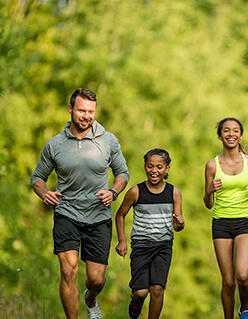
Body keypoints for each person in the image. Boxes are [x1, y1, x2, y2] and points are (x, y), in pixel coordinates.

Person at [31, 88, 129, 319]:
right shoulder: (54, 145)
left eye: (91, 111)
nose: (86, 116)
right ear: (70, 109)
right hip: (67, 213)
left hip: (99, 216)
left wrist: (113, 192)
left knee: (96, 279)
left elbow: (122, 173)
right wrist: (44, 193)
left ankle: (90, 298)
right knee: (68, 270)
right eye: (82, 110)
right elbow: (37, 178)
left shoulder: (108, 140)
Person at [115, 148, 185, 319]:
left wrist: (179, 223)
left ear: (167, 169)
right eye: (150, 166)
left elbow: (177, 226)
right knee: (141, 292)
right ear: (145, 167)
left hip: (163, 246)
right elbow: (120, 214)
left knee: (157, 289)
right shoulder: (135, 192)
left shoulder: (174, 192)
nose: (154, 171)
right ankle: (136, 300)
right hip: (141, 246)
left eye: (159, 167)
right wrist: (122, 241)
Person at [203, 117, 248, 319]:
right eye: (226, 131)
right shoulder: (211, 165)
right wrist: (209, 191)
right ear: (220, 135)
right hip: (221, 224)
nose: (231, 134)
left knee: (243, 276)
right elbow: (208, 203)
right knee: (227, 282)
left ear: (240, 135)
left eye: (235, 130)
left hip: (243, 221)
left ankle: (244, 308)